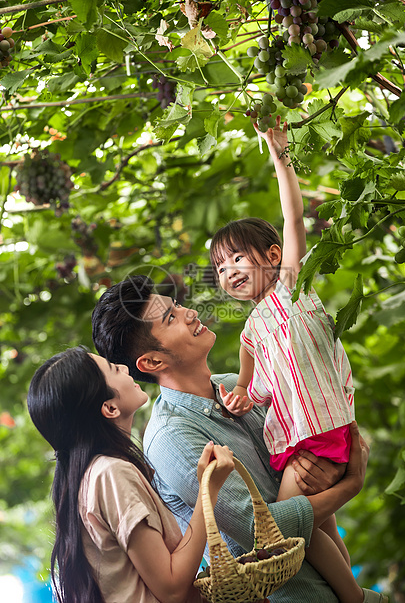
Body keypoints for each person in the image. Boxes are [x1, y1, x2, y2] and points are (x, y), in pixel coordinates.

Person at [91, 274, 380, 603]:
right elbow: (263, 530)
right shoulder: (171, 437)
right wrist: (350, 486)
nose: (190, 313)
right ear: (153, 361)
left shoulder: (237, 385)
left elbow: (309, 457)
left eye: (178, 306)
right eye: (171, 318)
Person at [208, 119, 383, 603]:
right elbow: (256, 383)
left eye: (238, 259)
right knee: (320, 523)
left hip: (319, 434)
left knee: (284, 531)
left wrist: (280, 154)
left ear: (273, 256)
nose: (229, 272)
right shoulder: (253, 329)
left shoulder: (289, 289)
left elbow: (292, 217)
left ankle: (353, 597)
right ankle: (357, 593)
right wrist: (242, 390)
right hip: (295, 439)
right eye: (221, 268)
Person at [27, 346, 235, 603]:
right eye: (114, 369)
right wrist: (208, 490)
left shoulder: (91, 477)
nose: (125, 368)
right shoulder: (111, 473)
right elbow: (172, 589)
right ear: (110, 408)